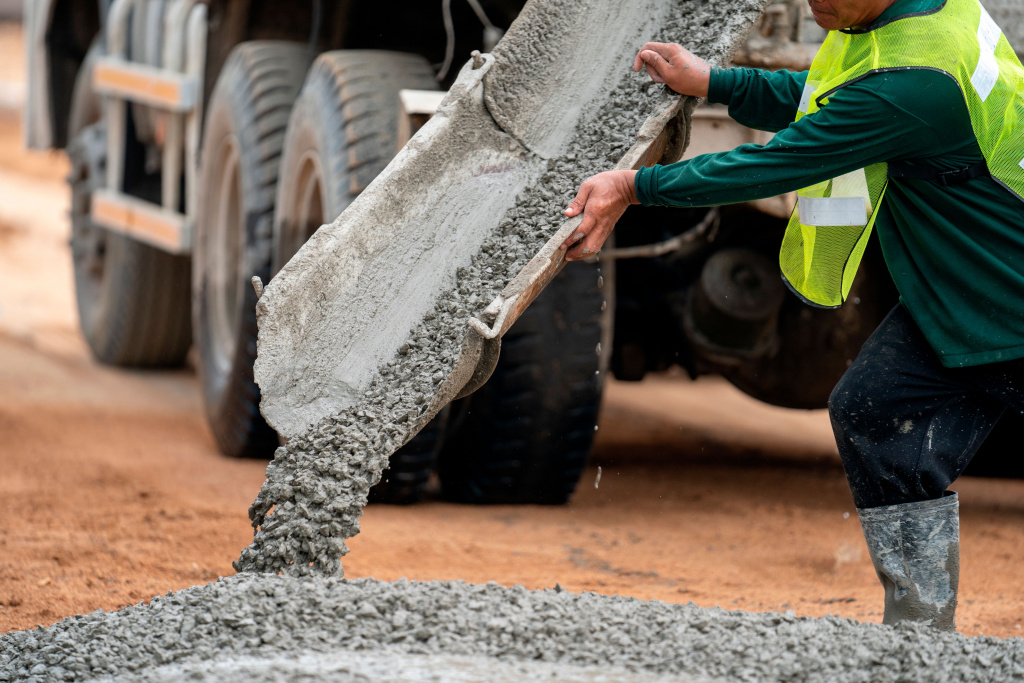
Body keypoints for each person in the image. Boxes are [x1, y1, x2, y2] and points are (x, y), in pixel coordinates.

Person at [561, 0, 1024, 632]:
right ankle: (921, 639)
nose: (812, 4)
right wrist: (717, 83)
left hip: (1008, 300)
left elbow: (782, 160)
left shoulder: (916, 83)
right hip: (966, 296)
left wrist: (635, 187)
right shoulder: (922, 23)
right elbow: (832, 92)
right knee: (876, 410)